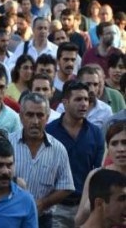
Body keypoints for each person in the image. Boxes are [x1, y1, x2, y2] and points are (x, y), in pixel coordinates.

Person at [9, 93, 75, 228]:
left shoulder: (58, 149)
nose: (35, 121)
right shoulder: (7, 144)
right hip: (9, 216)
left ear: (47, 117)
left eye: (40, 115)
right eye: (30, 115)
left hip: (43, 220)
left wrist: (44, 203)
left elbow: (66, 186)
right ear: (21, 116)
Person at [46, 81, 104, 228]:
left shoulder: (96, 133)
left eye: (86, 99)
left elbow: (97, 171)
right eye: (78, 99)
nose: (84, 104)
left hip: (85, 206)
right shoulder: (49, 132)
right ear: (65, 102)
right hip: (56, 206)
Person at [75, 120, 126, 226]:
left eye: (125, 143)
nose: (120, 149)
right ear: (107, 148)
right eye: (114, 144)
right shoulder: (97, 175)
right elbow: (80, 219)